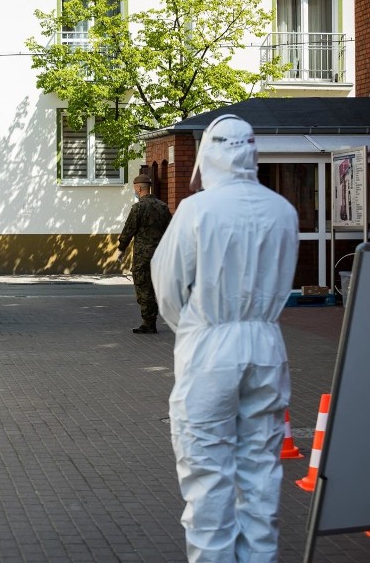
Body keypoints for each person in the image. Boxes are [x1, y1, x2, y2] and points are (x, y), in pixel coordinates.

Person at [150, 115, 299, 562]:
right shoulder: (283, 210)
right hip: (267, 345)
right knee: (261, 467)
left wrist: (195, 328)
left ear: (208, 154)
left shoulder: (198, 210)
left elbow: (168, 286)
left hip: (211, 346)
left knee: (206, 469)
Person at [117, 173, 172, 333]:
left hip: (143, 256)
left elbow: (129, 230)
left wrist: (121, 249)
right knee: (156, 286)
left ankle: (149, 322)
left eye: (135, 189)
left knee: (143, 287)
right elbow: (171, 230)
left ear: (139, 188)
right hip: (160, 254)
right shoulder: (163, 206)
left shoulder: (138, 208)